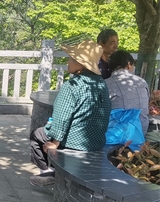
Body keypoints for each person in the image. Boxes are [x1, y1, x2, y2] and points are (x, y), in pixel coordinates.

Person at [30, 40, 111, 187]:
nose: (68, 62)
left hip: (74, 141)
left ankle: (49, 172)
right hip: (97, 141)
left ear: (81, 64)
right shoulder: (101, 84)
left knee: (37, 135)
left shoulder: (72, 85)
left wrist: (54, 143)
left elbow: (62, 117)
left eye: (72, 59)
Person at [105, 49, 150, 134]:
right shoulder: (142, 82)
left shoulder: (106, 84)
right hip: (141, 133)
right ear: (129, 64)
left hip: (117, 136)